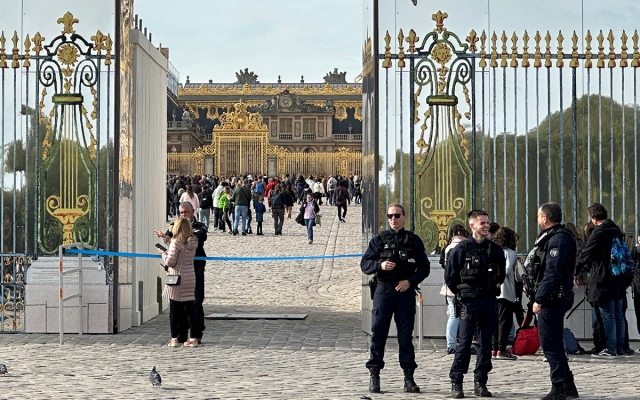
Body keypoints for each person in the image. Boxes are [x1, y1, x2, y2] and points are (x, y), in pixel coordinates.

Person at [360, 203, 430, 394]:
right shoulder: (379, 239)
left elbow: (424, 268)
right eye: (390, 215)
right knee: (378, 334)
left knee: (405, 337)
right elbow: (365, 263)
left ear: (404, 217)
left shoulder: (413, 240)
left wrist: (410, 281)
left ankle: (409, 378)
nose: (393, 218)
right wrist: (380, 266)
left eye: (397, 215)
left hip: (404, 293)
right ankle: (374, 376)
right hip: (384, 291)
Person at [445, 209, 506, 399]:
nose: (486, 226)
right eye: (482, 223)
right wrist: (463, 293)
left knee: (485, 344)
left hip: (488, 300)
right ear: (472, 226)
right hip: (468, 301)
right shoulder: (461, 250)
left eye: (487, 222)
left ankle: (481, 382)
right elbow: (450, 277)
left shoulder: (494, 250)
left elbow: (501, 275)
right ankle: (457, 381)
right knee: (463, 344)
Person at [528, 202, 579, 400]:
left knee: (550, 343)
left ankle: (558, 387)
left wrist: (539, 298)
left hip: (553, 297)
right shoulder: (558, 236)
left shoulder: (557, 239)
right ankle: (568, 387)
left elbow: (552, 271)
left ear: (545, 218)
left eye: (538, 216)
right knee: (555, 342)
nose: (538, 219)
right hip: (556, 295)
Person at [575, 203, 628, 358]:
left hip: (603, 278)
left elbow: (586, 253)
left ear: (593, 218)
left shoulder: (598, 233)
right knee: (618, 314)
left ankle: (610, 349)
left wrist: (576, 271)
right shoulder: (616, 230)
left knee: (608, 315)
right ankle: (619, 347)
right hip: (618, 277)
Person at [155, 203, 207, 345]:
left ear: (193, 211)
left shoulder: (199, 227)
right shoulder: (186, 236)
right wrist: (166, 237)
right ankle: (184, 335)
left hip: (190, 272)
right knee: (184, 306)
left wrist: (164, 252)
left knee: (191, 305)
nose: (183, 215)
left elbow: (197, 237)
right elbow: (176, 242)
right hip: (187, 274)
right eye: (181, 212)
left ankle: (186, 335)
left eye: (186, 212)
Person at [491, 226, 518, 360]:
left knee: (494, 321)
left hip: (493, 290)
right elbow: (507, 270)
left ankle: (494, 348)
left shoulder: (493, 250)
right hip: (505, 290)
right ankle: (502, 349)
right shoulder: (510, 253)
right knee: (505, 321)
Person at [441, 224, 468, 355]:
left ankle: (452, 344)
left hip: (449, 286)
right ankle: (452, 344)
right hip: (460, 286)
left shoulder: (448, 247)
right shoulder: (463, 246)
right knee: (456, 316)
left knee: (453, 314)